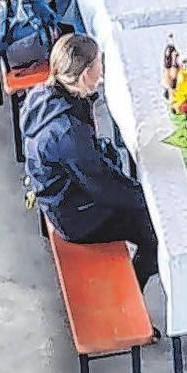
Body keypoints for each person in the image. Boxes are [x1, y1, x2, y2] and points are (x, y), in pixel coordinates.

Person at [22, 35, 159, 286]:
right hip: (75, 218)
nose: (102, 69)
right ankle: (128, 304)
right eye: (99, 64)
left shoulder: (39, 95)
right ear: (85, 75)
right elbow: (103, 187)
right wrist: (149, 198)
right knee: (154, 232)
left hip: (57, 197)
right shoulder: (69, 133)